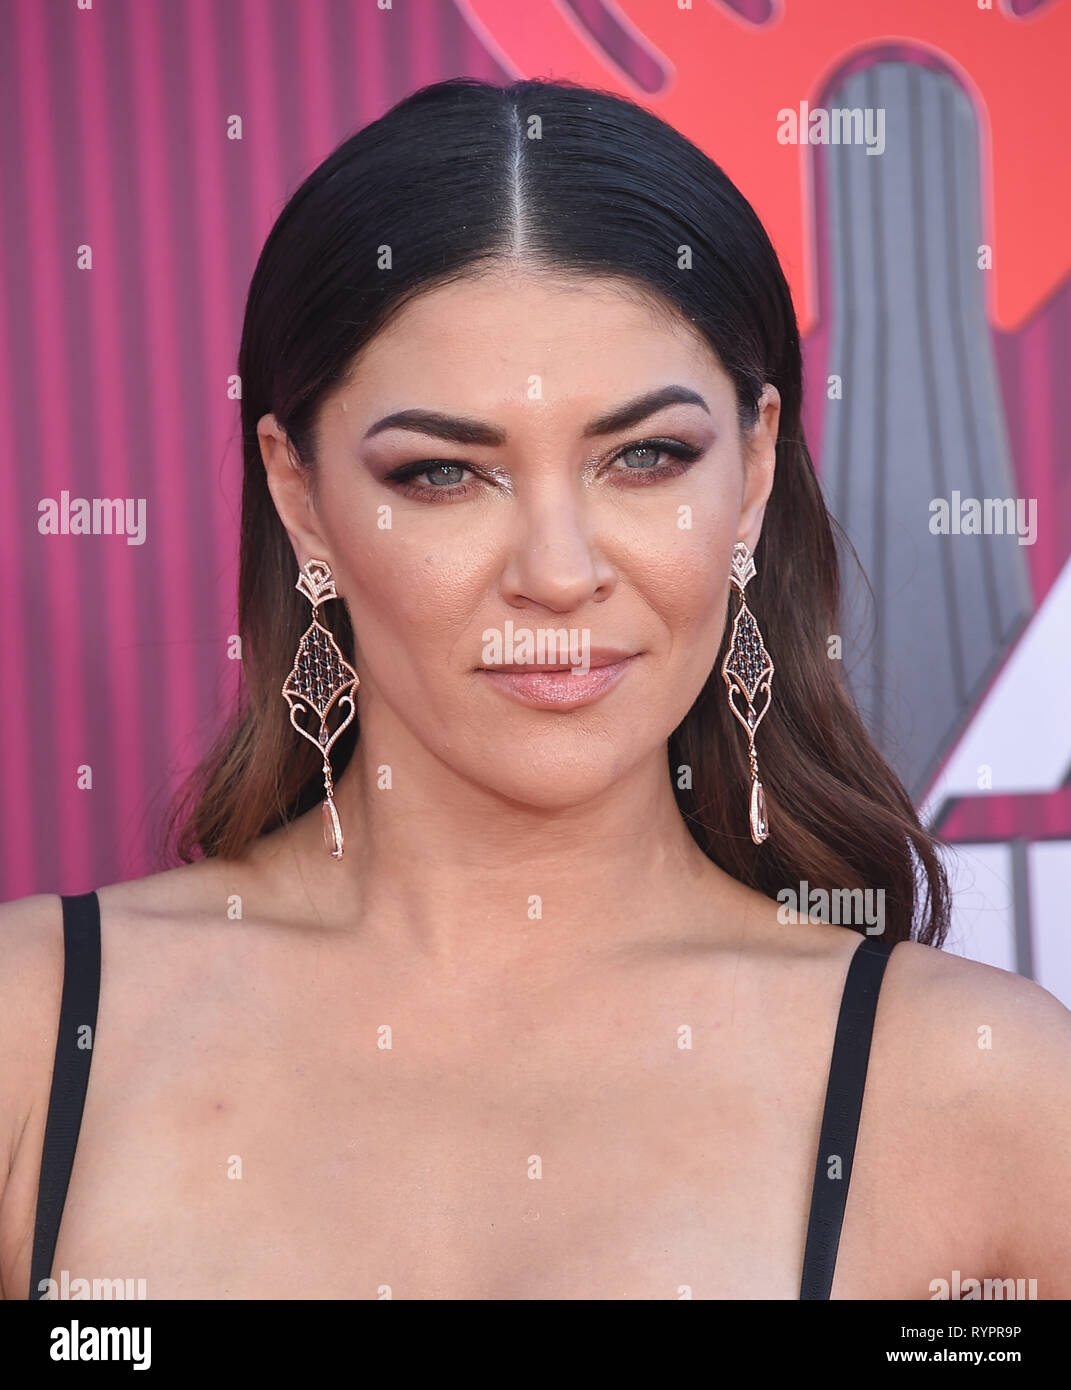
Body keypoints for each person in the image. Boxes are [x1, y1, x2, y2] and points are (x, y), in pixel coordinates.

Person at [2, 77, 1068, 1302]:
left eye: (645, 457)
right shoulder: (34, 1033)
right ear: (299, 494)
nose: (559, 575)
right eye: (446, 473)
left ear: (759, 463)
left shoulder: (985, 1093)